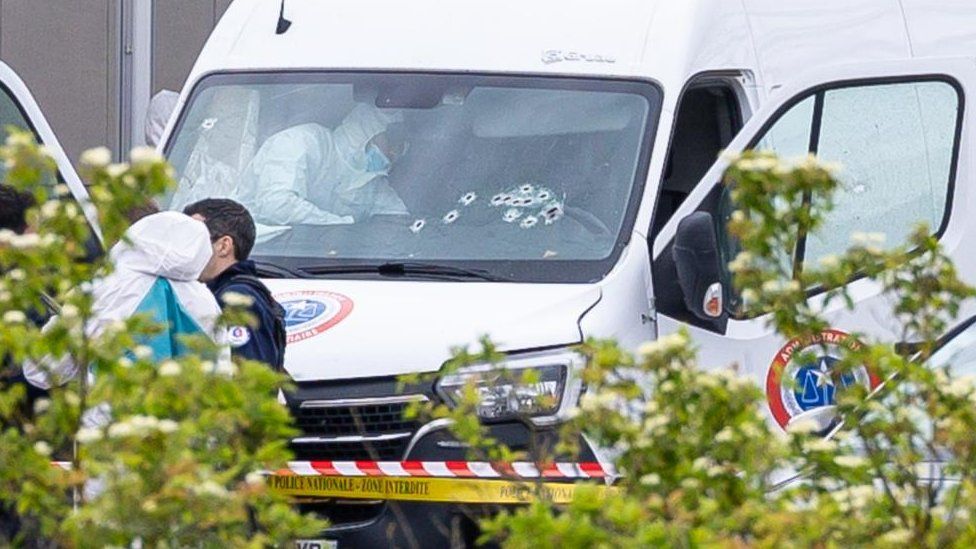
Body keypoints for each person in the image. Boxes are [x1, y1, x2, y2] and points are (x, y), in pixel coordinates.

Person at [23, 211, 229, 390]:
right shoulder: (207, 302)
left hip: (111, 427)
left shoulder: (106, 289)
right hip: (184, 430)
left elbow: (41, 371)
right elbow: (221, 379)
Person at [237, 102, 409, 227]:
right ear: (365, 131)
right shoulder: (303, 142)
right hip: (255, 258)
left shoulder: (371, 184)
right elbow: (276, 205)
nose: (394, 153)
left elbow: (398, 222)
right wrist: (341, 227)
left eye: (400, 147)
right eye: (390, 142)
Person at [183, 198, 286, 370]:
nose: (184, 248)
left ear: (223, 246)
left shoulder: (236, 301)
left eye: (193, 239)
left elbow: (248, 376)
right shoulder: (223, 292)